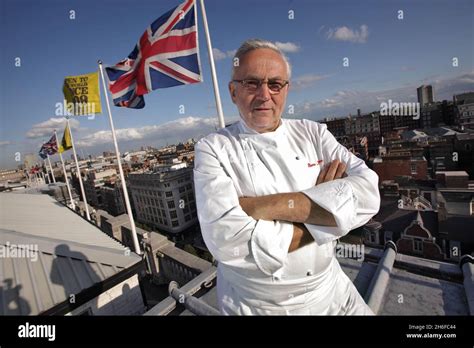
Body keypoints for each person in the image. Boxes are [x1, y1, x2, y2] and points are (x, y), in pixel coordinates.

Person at [193, 39, 380, 315]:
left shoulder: (313, 133)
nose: (264, 94)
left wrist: (259, 206)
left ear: (286, 90)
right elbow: (228, 240)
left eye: (275, 84)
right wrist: (330, 214)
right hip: (259, 306)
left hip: (331, 292)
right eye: (251, 83)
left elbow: (368, 193)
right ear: (233, 92)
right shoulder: (212, 148)